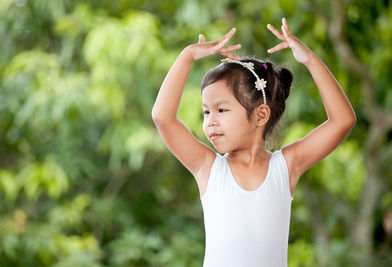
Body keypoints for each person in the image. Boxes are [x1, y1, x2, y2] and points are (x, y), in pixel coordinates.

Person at [151, 18, 356, 267]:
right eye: (206, 112)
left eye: (221, 110)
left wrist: (310, 60)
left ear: (260, 115)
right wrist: (187, 56)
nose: (210, 121)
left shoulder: (285, 167)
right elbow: (163, 118)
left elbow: (342, 121)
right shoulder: (209, 168)